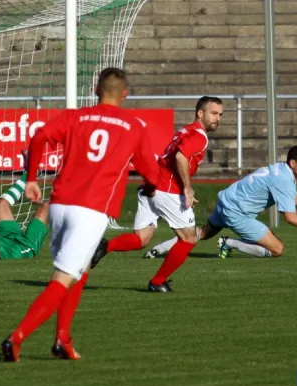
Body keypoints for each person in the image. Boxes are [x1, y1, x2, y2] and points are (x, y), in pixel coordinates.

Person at [0, 67, 159, 362]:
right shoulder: (134, 126)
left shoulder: (75, 117)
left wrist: (32, 178)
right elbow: (150, 171)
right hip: (93, 210)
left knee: (79, 270)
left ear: (96, 90)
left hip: (60, 205)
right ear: (125, 94)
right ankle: (16, 337)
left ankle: (62, 340)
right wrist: (151, 187)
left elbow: (39, 137)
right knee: (63, 278)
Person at [91, 96, 224, 293]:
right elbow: (180, 157)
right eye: (213, 113)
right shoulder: (199, 136)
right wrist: (187, 188)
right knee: (188, 239)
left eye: (220, 115)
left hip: (151, 186)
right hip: (166, 191)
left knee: (142, 239)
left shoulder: (186, 130)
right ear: (200, 113)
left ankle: (104, 247)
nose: (217, 119)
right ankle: (157, 281)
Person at [144, 146, 297, 259]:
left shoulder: (280, 170)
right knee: (277, 249)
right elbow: (289, 217)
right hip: (237, 212)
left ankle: (159, 249)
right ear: (293, 163)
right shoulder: (284, 178)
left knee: (202, 234)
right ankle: (229, 243)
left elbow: (290, 196)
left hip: (226, 200)